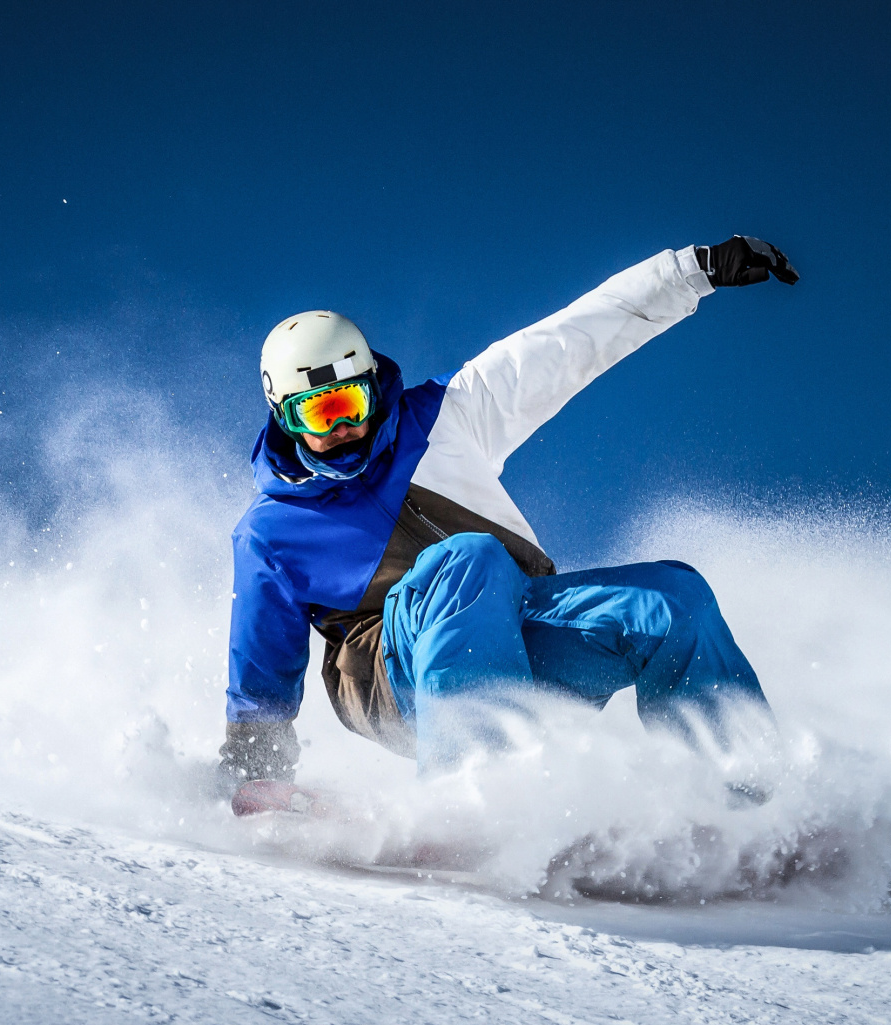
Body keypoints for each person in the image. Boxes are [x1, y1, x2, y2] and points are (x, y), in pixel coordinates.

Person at [219, 236, 799, 794]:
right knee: (468, 558)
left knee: (672, 598)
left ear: (374, 387)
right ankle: (474, 797)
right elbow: (261, 663)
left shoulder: (448, 416)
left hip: (515, 637)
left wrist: (691, 270)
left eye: (351, 403)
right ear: (285, 418)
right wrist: (254, 775)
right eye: (318, 415)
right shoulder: (272, 529)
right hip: (391, 679)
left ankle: (752, 803)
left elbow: (568, 342)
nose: (342, 427)